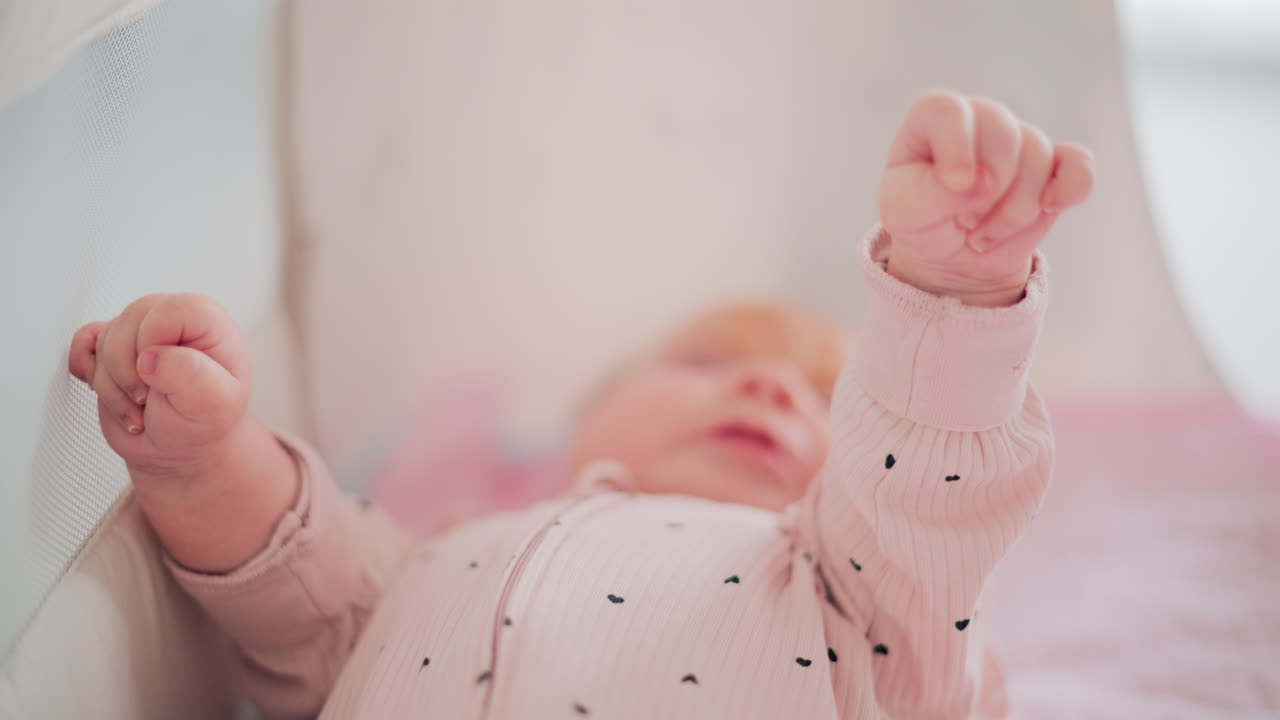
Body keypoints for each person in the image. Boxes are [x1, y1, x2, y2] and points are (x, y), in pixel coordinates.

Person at [67, 90, 1094, 719]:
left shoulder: (857, 596)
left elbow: (923, 484)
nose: (765, 382)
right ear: (588, 420)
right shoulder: (453, 551)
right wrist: (204, 455)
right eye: (702, 362)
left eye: (827, 397)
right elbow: (302, 586)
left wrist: (947, 290)